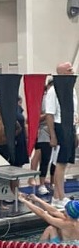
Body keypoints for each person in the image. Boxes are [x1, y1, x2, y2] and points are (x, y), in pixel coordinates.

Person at [45, 61, 78, 209]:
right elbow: (49, 114)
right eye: (70, 70)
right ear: (63, 73)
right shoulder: (53, 91)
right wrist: (53, 136)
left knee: (64, 163)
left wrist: (75, 133)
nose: (73, 72)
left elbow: (74, 113)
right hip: (59, 127)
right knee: (60, 163)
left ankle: (57, 196)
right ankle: (60, 197)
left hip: (70, 126)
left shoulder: (72, 90)